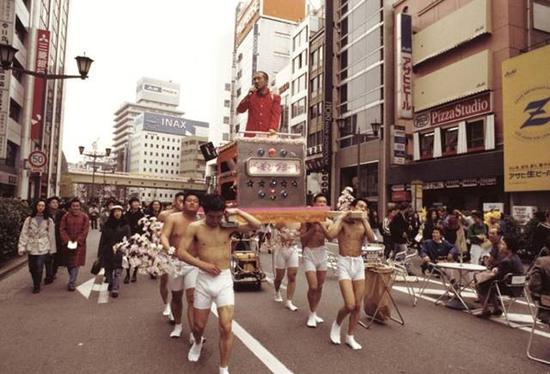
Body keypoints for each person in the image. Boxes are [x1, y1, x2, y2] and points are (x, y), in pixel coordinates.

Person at [177, 194, 261, 373]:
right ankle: (198, 342)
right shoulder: (195, 227)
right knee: (199, 327)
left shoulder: (227, 226)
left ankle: (224, 368)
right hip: (204, 279)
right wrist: (203, 265)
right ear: (204, 213)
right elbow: (181, 252)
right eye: (211, 216)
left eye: (219, 216)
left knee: (226, 326)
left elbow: (257, 225)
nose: (215, 220)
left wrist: (237, 211)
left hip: (223, 279)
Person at [327, 198, 375, 350]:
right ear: (353, 207)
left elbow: (373, 238)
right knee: (350, 304)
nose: (362, 209)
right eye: (360, 206)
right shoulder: (343, 222)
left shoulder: (363, 223)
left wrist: (365, 220)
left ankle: (350, 336)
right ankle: (337, 324)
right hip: (344, 262)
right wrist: (341, 216)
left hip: (358, 263)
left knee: (357, 306)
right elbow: (330, 235)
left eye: (365, 207)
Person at [160, 192, 200, 339]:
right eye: (188, 200)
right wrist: (168, 248)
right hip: (175, 263)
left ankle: (194, 332)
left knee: (192, 298)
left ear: (199, 205)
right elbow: (164, 235)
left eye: (195, 201)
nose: (191, 203)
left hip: (193, 263)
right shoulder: (173, 218)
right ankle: (178, 325)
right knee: (176, 296)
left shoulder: (201, 221)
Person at [300, 193, 332, 328]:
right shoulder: (306, 219)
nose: (321, 205)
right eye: (319, 202)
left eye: (324, 202)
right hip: (309, 252)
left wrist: (321, 224)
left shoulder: (329, 221)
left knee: (319, 286)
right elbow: (302, 239)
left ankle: (314, 311)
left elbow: (330, 237)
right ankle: (311, 313)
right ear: (314, 204)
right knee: (312, 286)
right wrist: (313, 227)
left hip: (322, 252)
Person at [476, 236, 524, 317]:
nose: (501, 246)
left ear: (509, 248)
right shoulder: (516, 257)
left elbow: (498, 277)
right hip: (518, 286)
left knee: (480, 285)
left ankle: (486, 310)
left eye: (503, 244)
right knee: (490, 285)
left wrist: (485, 276)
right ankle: (496, 308)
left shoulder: (507, 261)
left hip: (508, 287)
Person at [17, 199, 56, 293]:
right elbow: (24, 233)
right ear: (36, 207)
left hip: (43, 246)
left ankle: (36, 285)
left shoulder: (49, 220)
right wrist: (21, 247)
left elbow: (51, 235)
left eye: (43, 206)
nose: (41, 207)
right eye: (39, 205)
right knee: (32, 267)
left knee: (39, 266)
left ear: (45, 207)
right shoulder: (29, 219)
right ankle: (36, 280)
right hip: (32, 246)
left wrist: (52, 250)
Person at [158, 192, 186, 320]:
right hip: (165, 251)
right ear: (175, 201)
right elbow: (159, 232)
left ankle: (176, 306)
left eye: (184, 200)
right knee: (164, 279)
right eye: (180, 200)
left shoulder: (190, 216)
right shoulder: (165, 215)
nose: (182, 203)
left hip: (182, 253)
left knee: (180, 284)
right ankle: (166, 305)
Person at [98, 204, 130, 298]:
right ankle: (111, 283)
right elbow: (102, 239)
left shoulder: (125, 225)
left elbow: (129, 238)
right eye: (115, 211)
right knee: (108, 270)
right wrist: (100, 253)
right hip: (107, 250)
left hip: (120, 250)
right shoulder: (107, 225)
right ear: (112, 213)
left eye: (119, 211)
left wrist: (126, 249)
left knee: (118, 270)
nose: (117, 213)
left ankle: (115, 288)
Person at [236, 71, 281, 137]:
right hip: (250, 136)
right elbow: (240, 109)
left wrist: (273, 128)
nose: (256, 81)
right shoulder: (250, 96)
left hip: (267, 135)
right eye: (254, 79)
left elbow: (276, 114)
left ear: (266, 81)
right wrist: (248, 95)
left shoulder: (274, 97)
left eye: (259, 78)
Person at [59, 198, 90, 291]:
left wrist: (78, 241)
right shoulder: (66, 216)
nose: (75, 208)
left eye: (77, 206)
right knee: (69, 263)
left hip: (79, 244)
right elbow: (62, 229)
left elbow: (85, 230)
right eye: (73, 206)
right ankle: (72, 278)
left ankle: (72, 282)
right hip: (67, 243)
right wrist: (67, 240)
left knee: (76, 263)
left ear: (80, 207)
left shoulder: (85, 216)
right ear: (71, 207)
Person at [272, 222, 301, 311]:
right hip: (281, 249)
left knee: (292, 275)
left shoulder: (299, 220)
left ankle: (289, 301)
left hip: (293, 248)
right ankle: (277, 291)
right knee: (279, 277)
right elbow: (275, 225)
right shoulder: (281, 217)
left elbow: (303, 231)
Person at [44, 196, 65, 284]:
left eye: (56, 203)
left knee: (56, 257)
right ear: (49, 204)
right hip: (47, 238)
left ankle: (53, 272)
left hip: (58, 238)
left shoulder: (62, 213)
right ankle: (49, 275)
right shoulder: (45, 213)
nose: (55, 204)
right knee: (48, 257)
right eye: (53, 202)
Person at [124, 196, 145, 283]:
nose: (136, 204)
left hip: (138, 238)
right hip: (128, 237)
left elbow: (144, 227)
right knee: (127, 256)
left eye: (137, 202)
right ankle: (127, 274)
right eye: (134, 202)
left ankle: (134, 274)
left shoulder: (142, 215)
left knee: (137, 256)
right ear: (131, 204)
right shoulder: (126, 215)